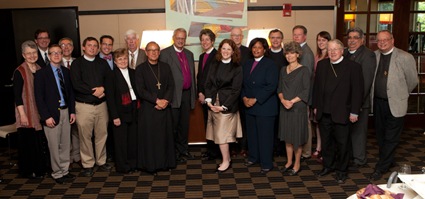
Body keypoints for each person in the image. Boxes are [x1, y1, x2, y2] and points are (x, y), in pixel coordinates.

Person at [369, 30, 418, 181]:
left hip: (396, 103)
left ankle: (381, 167)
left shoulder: (405, 57)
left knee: (391, 137)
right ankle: (388, 160)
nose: (382, 42)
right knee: (381, 135)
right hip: (378, 102)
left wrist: (401, 94)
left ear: (392, 40)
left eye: (385, 40)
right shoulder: (375, 56)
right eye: (379, 40)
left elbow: (412, 81)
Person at [313, 39, 364, 184]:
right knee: (327, 142)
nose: (332, 52)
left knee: (342, 144)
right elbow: (316, 88)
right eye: (330, 49)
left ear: (342, 50)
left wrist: (354, 111)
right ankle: (328, 166)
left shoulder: (353, 67)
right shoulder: (322, 65)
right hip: (324, 111)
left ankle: (342, 170)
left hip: (343, 112)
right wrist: (316, 106)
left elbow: (358, 91)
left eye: (335, 49)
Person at [34, 44, 76, 184]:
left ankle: (64, 170)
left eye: (59, 52)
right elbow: (39, 98)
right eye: (53, 53)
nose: (57, 55)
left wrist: (72, 112)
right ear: (49, 56)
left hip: (65, 112)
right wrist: (46, 116)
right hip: (51, 115)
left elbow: (70, 94)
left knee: (65, 144)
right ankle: (57, 173)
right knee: (54, 145)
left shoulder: (65, 71)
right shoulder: (41, 74)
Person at [70, 37, 112, 177]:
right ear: (83, 47)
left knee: (102, 134)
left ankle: (101, 160)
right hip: (84, 106)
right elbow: (76, 84)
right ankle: (88, 164)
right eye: (89, 45)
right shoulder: (77, 63)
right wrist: (94, 91)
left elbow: (109, 80)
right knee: (85, 136)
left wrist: (103, 89)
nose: (92, 48)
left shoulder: (103, 63)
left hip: (101, 105)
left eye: (95, 46)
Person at [136, 42, 176, 175]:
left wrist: (165, 101)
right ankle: (151, 165)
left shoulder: (165, 67)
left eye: (156, 50)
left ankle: (165, 163)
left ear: (159, 52)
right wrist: (156, 100)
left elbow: (171, 86)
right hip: (149, 109)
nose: (153, 53)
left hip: (164, 108)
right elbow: (140, 90)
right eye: (150, 50)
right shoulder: (140, 69)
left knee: (164, 137)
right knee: (151, 138)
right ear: (146, 52)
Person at [204, 39, 243, 173]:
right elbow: (208, 83)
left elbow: (236, 91)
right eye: (223, 48)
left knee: (222, 135)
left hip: (227, 106)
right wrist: (209, 100)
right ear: (220, 50)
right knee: (217, 134)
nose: (226, 51)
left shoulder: (237, 67)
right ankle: (226, 158)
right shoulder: (214, 64)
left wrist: (223, 106)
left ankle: (226, 161)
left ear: (233, 52)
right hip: (213, 103)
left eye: (229, 49)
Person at [242, 37, 279, 174]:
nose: (256, 50)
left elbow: (272, 86)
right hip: (249, 106)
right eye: (254, 47)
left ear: (264, 49)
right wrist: (244, 97)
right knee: (252, 135)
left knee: (265, 137)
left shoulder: (270, 64)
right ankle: (254, 157)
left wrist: (256, 99)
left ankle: (266, 163)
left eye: (259, 47)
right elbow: (243, 83)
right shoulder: (247, 64)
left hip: (265, 106)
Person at [159, 28, 196, 162]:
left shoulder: (189, 54)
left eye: (183, 38)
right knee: (173, 126)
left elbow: (192, 76)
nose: (180, 40)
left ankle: (183, 150)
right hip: (173, 95)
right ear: (174, 38)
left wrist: (193, 96)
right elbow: (162, 77)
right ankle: (172, 153)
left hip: (186, 94)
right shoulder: (165, 54)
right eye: (178, 38)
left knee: (184, 125)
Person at [13, 40, 47, 179]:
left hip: (38, 110)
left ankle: (39, 169)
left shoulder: (39, 68)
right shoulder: (19, 71)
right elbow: (17, 96)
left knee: (38, 141)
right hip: (26, 111)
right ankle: (28, 171)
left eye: (34, 53)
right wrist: (23, 115)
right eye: (29, 54)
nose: (32, 56)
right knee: (28, 143)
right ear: (23, 55)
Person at [344, 27, 377, 168]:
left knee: (358, 134)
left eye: (355, 37)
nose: (352, 40)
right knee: (347, 133)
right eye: (350, 37)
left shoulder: (368, 55)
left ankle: (359, 160)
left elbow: (366, 82)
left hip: (359, 103)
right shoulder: (344, 53)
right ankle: (350, 157)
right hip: (344, 102)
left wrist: (355, 105)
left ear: (362, 40)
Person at [278, 41, 310, 176]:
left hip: (297, 108)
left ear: (298, 54)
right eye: (287, 53)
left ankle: (297, 164)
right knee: (287, 137)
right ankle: (288, 162)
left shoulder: (304, 70)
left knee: (297, 138)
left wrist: (291, 101)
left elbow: (306, 91)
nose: (289, 56)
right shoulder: (282, 70)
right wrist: (283, 100)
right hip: (285, 107)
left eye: (292, 53)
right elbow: (279, 89)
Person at [104, 48, 139, 174]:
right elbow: (110, 98)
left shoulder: (134, 72)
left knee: (133, 139)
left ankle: (132, 164)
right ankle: (123, 166)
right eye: (120, 59)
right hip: (120, 111)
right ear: (115, 61)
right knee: (121, 141)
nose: (123, 61)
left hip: (134, 108)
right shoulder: (111, 76)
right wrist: (114, 116)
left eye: (125, 58)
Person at [292, 25, 315, 162]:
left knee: (305, 124)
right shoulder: (298, 50)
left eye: (298, 35)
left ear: (305, 36)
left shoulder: (306, 53)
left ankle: (306, 152)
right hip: (297, 95)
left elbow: (305, 78)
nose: (296, 37)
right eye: (294, 35)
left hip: (302, 95)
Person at [197, 29, 219, 160]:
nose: (204, 42)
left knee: (215, 124)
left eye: (207, 39)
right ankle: (211, 150)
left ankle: (216, 151)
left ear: (212, 41)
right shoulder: (202, 56)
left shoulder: (217, 56)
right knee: (208, 123)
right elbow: (200, 77)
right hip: (203, 95)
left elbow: (215, 79)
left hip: (213, 96)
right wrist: (200, 92)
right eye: (202, 39)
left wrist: (207, 94)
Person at [267, 28, 289, 157]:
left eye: (278, 37)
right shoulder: (265, 54)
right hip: (269, 95)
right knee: (271, 123)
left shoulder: (287, 55)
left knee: (282, 122)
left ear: (282, 39)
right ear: (270, 39)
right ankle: (272, 147)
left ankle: (281, 148)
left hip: (284, 94)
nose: (275, 40)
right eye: (273, 37)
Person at [59, 37, 80, 168]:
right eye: (63, 45)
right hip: (63, 103)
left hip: (79, 100)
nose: (66, 48)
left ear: (72, 48)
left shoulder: (78, 62)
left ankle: (77, 156)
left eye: (69, 45)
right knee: (65, 132)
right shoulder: (55, 62)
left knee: (77, 130)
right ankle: (68, 158)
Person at [312, 31, 331, 163]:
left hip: (327, 95)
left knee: (326, 125)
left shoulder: (330, 56)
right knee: (317, 123)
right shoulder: (317, 55)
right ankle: (319, 147)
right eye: (319, 40)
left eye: (324, 40)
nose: (321, 42)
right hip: (317, 91)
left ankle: (325, 150)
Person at [230, 27, 250, 157]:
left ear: (242, 37)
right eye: (234, 35)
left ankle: (243, 147)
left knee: (244, 121)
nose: (236, 37)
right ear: (231, 37)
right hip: (230, 93)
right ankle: (232, 147)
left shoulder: (248, 52)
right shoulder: (226, 51)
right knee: (231, 121)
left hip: (244, 92)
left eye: (239, 35)